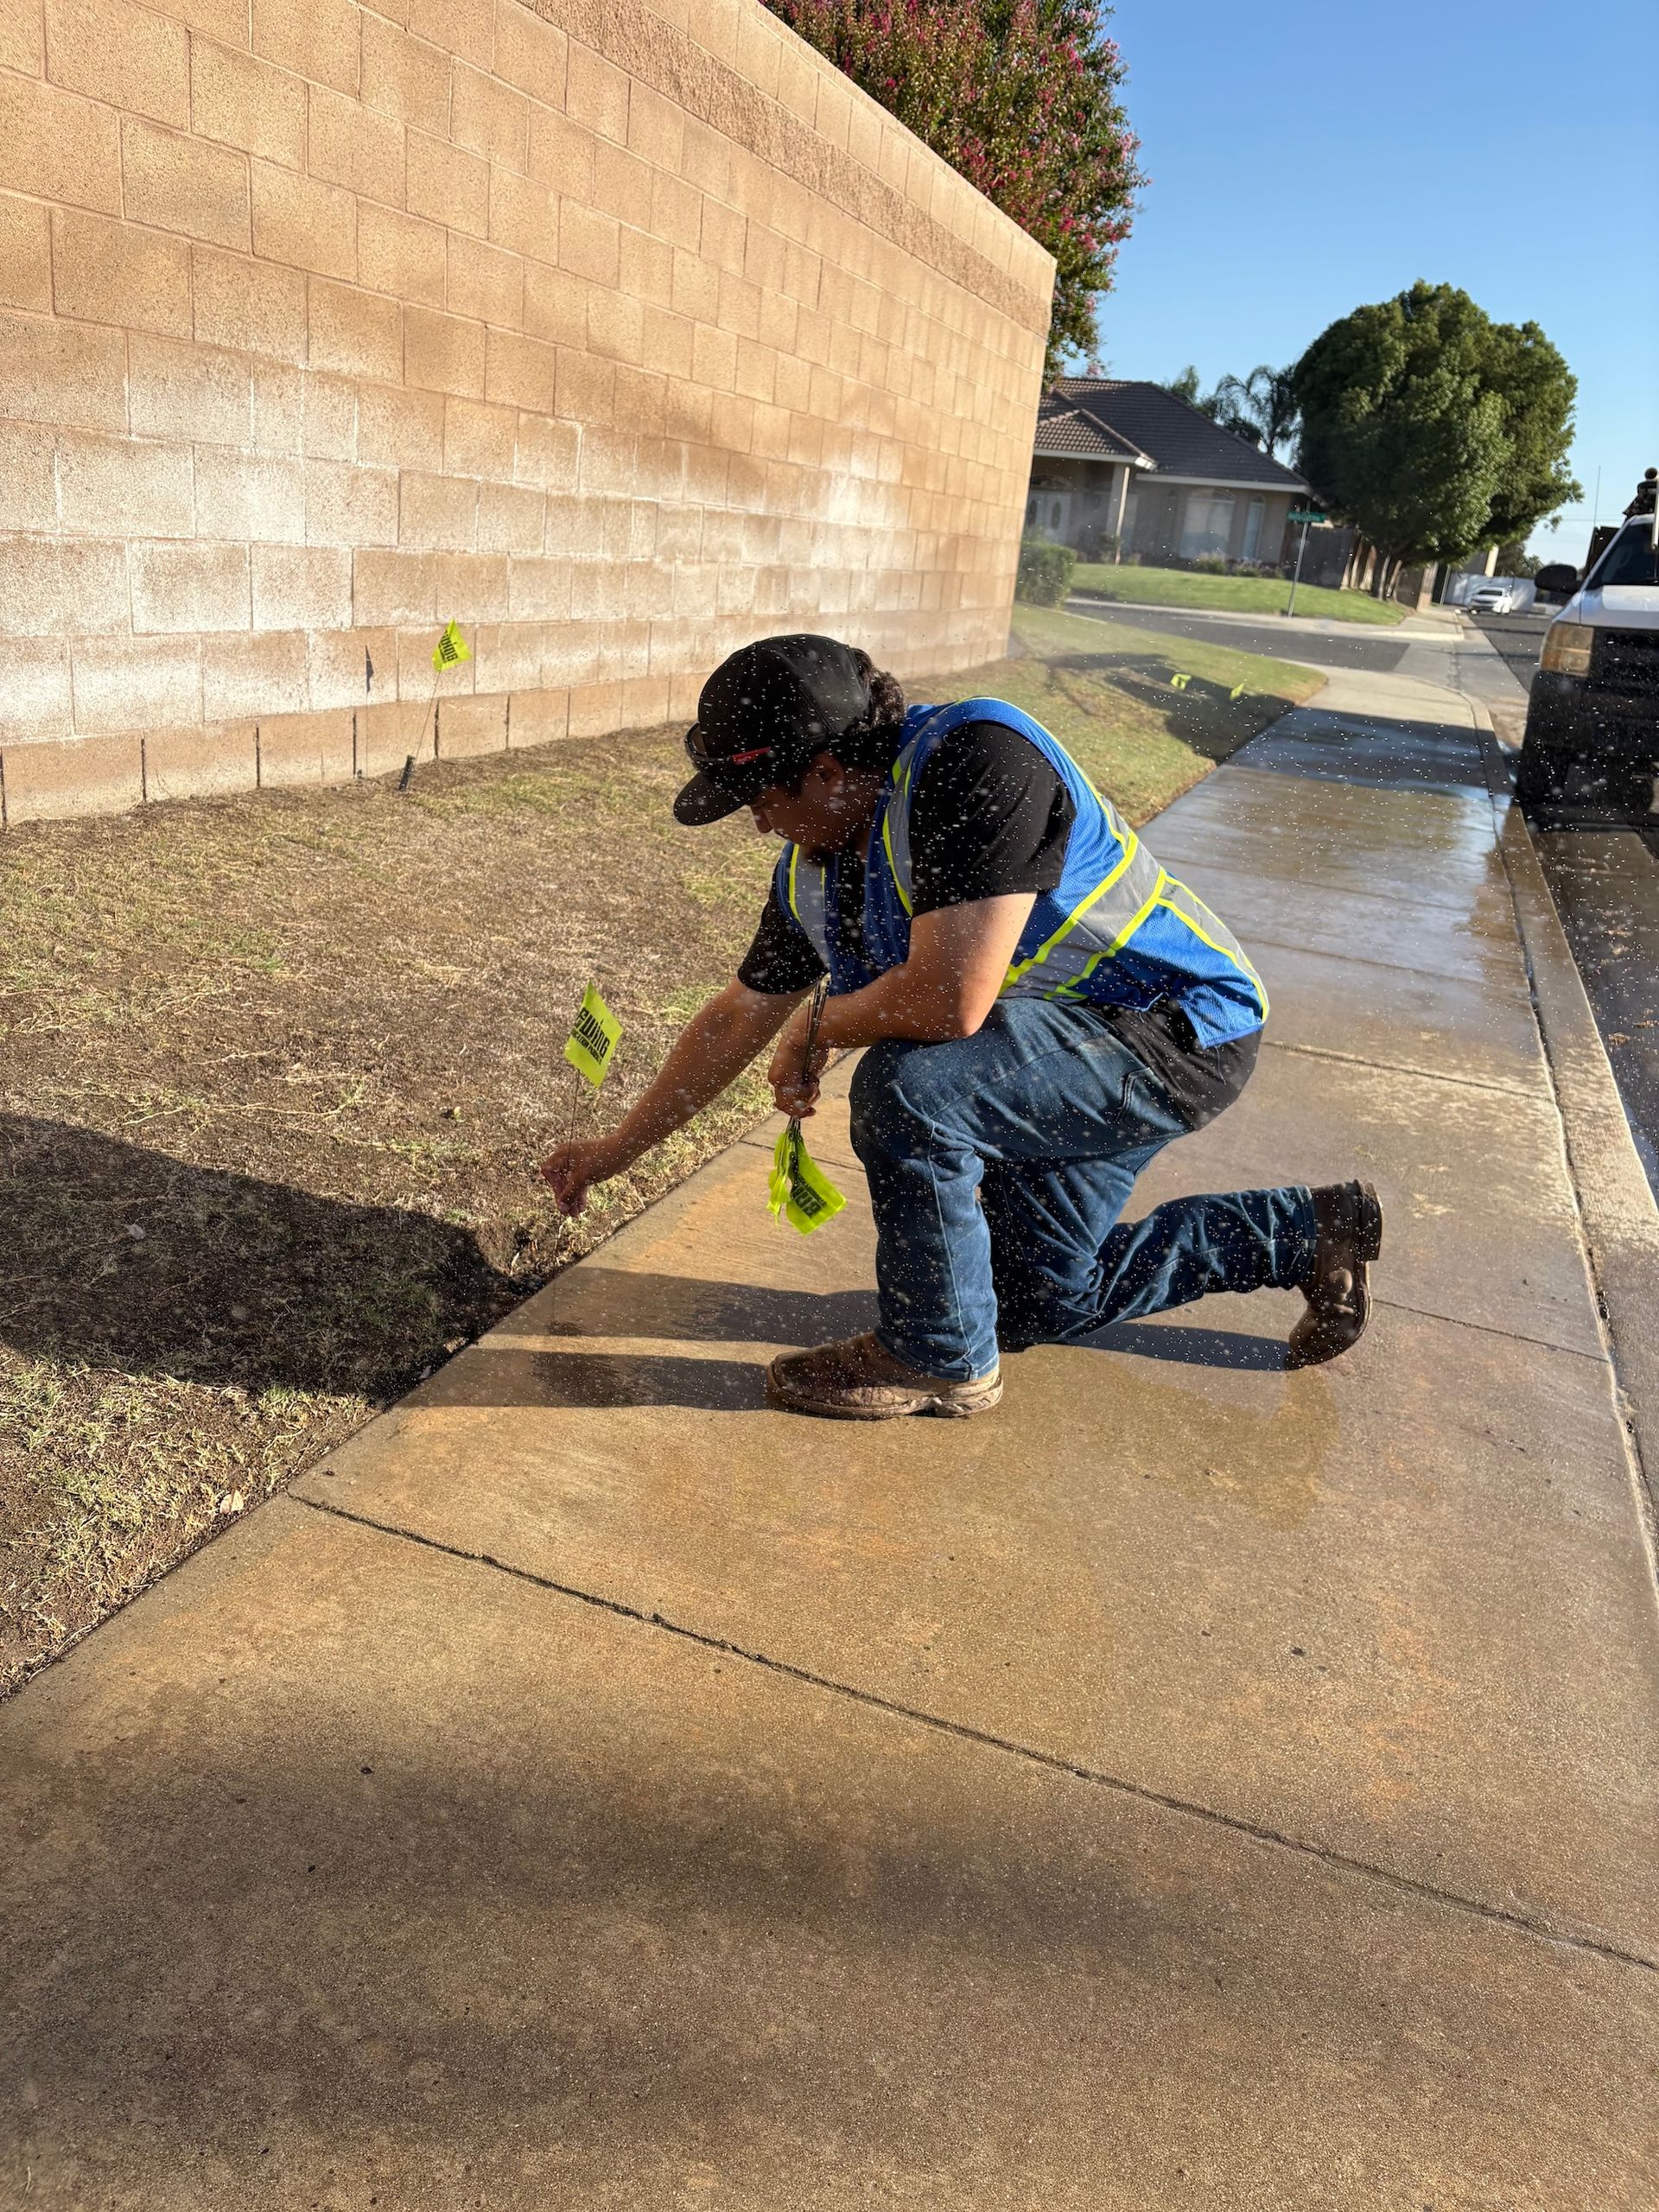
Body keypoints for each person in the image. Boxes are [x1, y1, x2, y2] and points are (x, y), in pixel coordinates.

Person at [540, 633, 1382, 1421]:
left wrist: (819, 1025)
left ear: (828, 772)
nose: (758, 823)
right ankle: (1308, 1232)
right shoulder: (817, 872)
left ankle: (937, 1355)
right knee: (1032, 1302)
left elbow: (952, 1003)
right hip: (1065, 1049)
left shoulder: (979, 760)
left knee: (909, 1091)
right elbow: (733, 1019)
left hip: (1176, 1030)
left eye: (760, 798)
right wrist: (612, 1152)